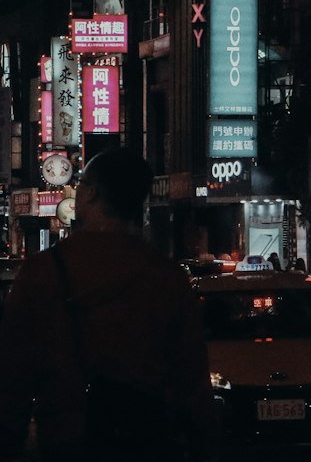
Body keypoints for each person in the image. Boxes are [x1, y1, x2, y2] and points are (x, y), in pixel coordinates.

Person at [0, 148, 216, 461]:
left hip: (67, 437)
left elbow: (13, 376)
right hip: (146, 440)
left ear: (92, 193)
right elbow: (192, 380)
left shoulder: (43, 272)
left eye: (82, 184)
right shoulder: (166, 277)